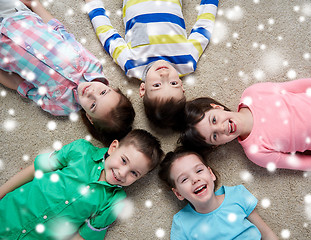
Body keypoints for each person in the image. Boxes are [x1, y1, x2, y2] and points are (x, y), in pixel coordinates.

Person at [0, 0, 135, 146]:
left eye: (93, 105)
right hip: (18, 16)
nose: (91, 93)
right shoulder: (92, 65)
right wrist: (35, 5)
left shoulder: (61, 106)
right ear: (113, 89)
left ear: (90, 118)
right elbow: (61, 32)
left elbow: (21, 86)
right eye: (103, 93)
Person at [180, 68, 311, 173]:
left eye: (213, 120)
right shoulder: (256, 153)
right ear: (217, 145)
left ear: (216, 107)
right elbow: (299, 163)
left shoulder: (253, 94)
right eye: (214, 136)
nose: (222, 128)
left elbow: (296, 87)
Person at [0, 129, 163, 240]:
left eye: (134, 173)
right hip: (8, 212)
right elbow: (35, 169)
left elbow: (84, 236)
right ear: (114, 147)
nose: (122, 173)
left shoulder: (115, 201)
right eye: (123, 161)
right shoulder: (81, 150)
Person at [84, 0, 219, 130]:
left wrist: (93, 5)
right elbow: (204, 27)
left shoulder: (132, 65)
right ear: (181, 85)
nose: (164, 75)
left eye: (157, 85)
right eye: (173, 83)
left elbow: (108, 36)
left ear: (143, 89)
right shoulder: (187, 61)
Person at [158, 147, 278, 239]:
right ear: (178, 193)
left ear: (211, 174)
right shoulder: (182, 222)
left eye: (199, 170)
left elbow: (267, 234)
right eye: (184, 179)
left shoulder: (237, 195)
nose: (195, 179)